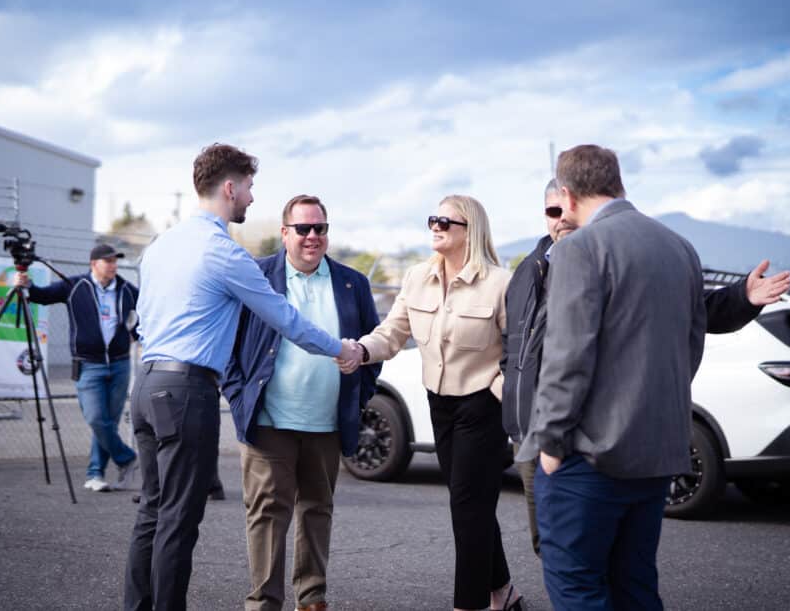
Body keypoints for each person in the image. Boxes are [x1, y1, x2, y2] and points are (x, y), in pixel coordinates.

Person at [123, 144, 363, 611]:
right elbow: (286, 320)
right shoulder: (222, 252)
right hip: (185, 392)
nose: (251, 198)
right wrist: (342, 348)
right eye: (249, 188)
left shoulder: (160, 246)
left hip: (147, 382)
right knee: (178, 518)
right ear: (229, 188)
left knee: (151, 512)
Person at [502, 179, 790, 559]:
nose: (562, 220)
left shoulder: (607, 259)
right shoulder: (529, 268)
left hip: (579, 438)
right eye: (552, 213)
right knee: (549, 546)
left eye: (565, 209)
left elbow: (694, 305)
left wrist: (742, 298)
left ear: (578, 206)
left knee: (583, 556)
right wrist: (506, 378)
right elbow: (515, 338)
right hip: (529, 433)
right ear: (546, 216)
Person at [526, 144, 700, 610]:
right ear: (617, 182)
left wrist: (550, 444)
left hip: (588, 458)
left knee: (577, 587)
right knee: (636, 586)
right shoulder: (678, 246)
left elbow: (568, 355)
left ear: (566, 193)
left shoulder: (580, 249)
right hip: (655, 451)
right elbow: (691, 343)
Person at [356, 195, 523, 611]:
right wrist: (358, 351)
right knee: (472, 503)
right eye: (433, 219)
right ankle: (503, 590)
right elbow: (392, 333)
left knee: (467, 506)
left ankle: (470, 603)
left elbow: (519, 351)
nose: (436, 226)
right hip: (440, 406)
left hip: (482, 407)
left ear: (472, 230)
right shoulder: (416, 277)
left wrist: (499, 390)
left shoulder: (501, 284)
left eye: (447, 221)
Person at [223, 194, 382, 611]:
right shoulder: (257, 277)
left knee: (317, 511)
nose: (313, 237)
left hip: (327, 423)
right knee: (268, 515)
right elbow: (228, 344)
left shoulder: (353, 283)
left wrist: (358, 394)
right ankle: (264, 603)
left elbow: (372, 348)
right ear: (284, 233)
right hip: (268, 421)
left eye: (320, 229)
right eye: (304, 229)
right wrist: (239, 396)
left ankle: (312, 599)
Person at [15, 243, 139, 493]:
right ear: (94, 264)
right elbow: (43, 295)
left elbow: (144, 314)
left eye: (115, 261)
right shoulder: (75, 286)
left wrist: (136, 334)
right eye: (108, 261)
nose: (114, 265)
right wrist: (26, 285)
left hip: (119, 364)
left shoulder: (127, 289)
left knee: (109, 422)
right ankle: (128, 459)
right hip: (88, 365)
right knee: (96, 418)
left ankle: (95, 474)